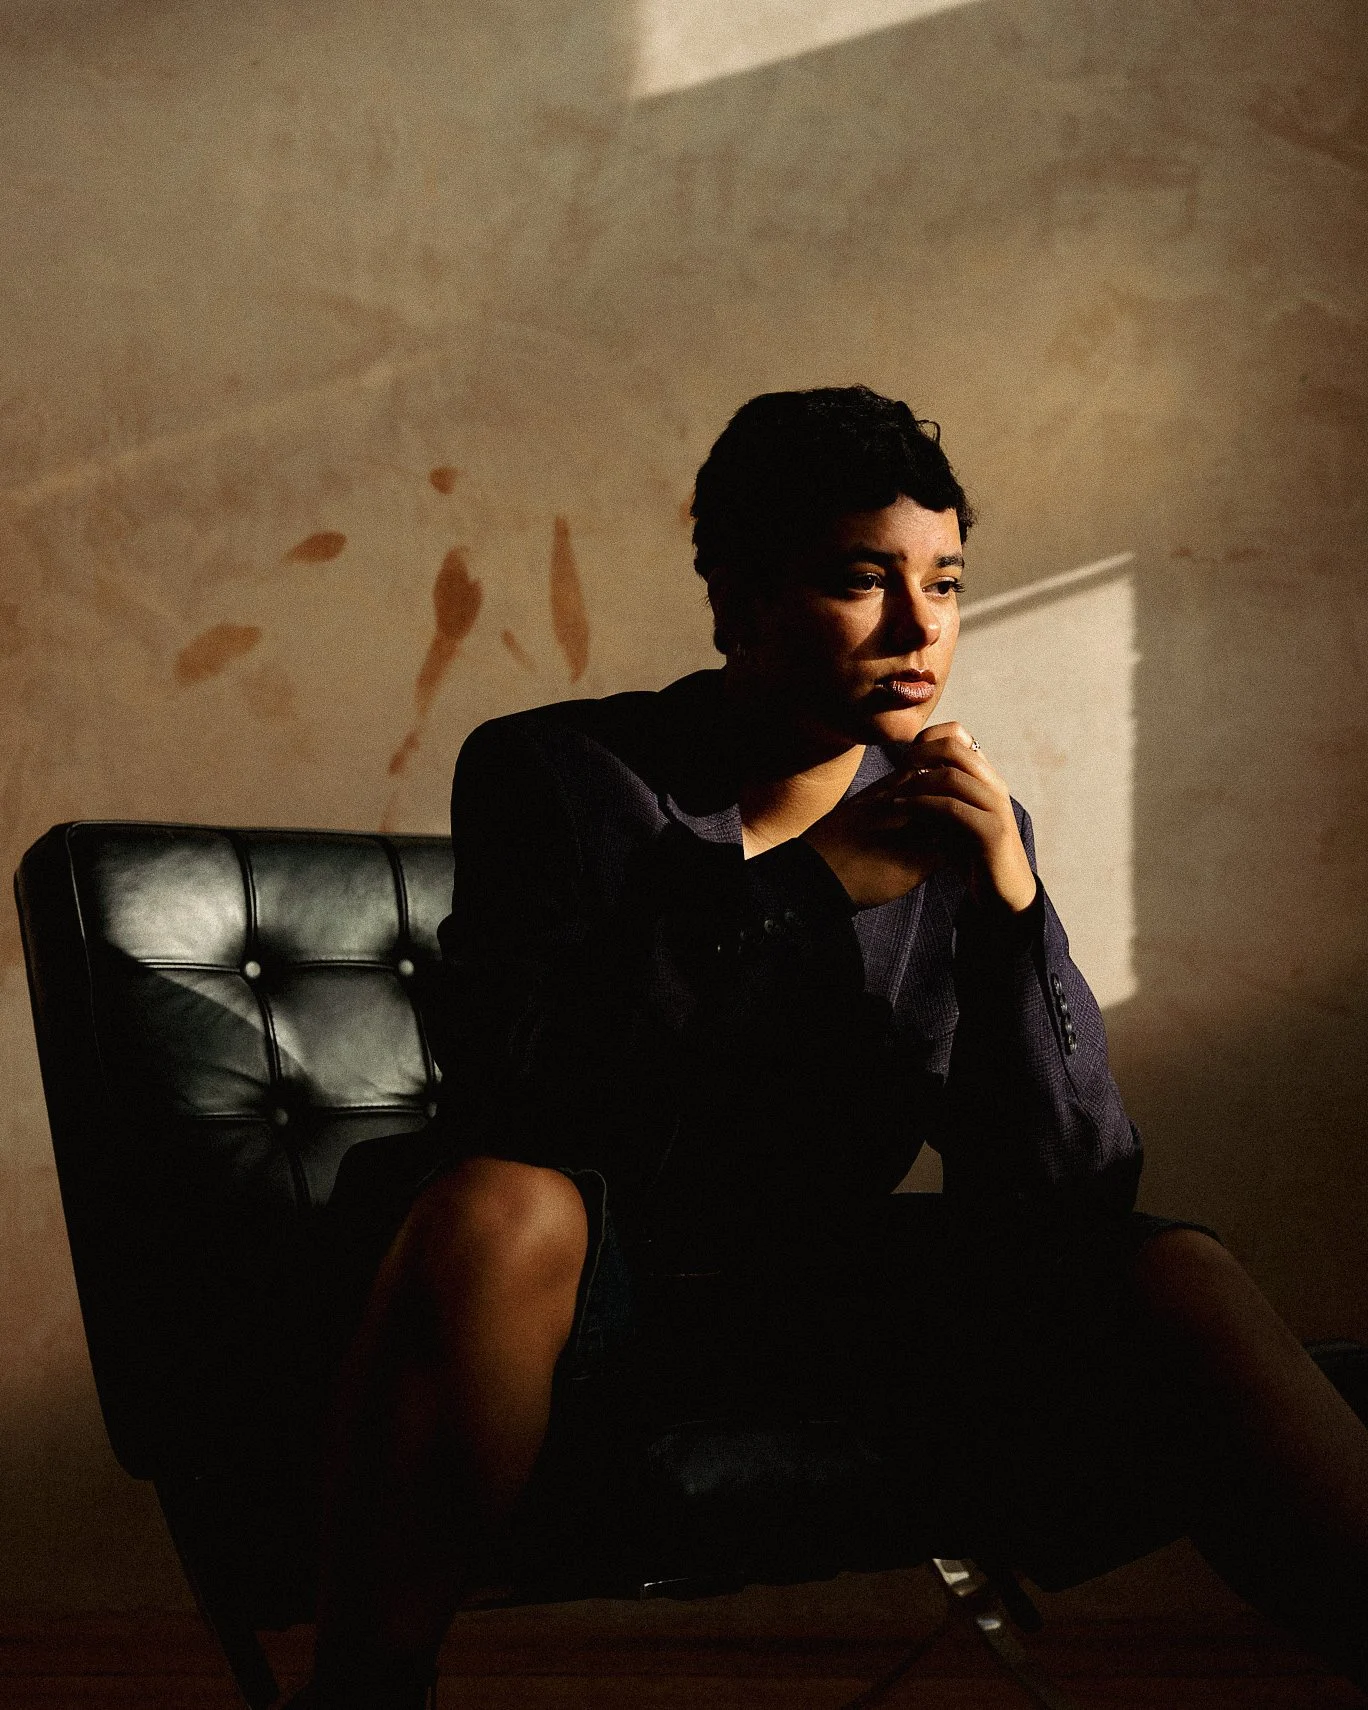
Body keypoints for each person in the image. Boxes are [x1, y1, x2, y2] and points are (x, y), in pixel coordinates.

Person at [297, 387, 1368, 1708]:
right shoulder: (558, 774)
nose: (923, 630)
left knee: (1180, 1267)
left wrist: (1012, 914)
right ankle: (363, 1688)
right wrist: (802, 894)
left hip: (816, 1299)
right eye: (865, 581)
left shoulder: (962, 819)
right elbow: (537, 1095)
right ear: (740, 597)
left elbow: (1064, 1197)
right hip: (576, 1304)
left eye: (948, 583)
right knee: (508, 1199)